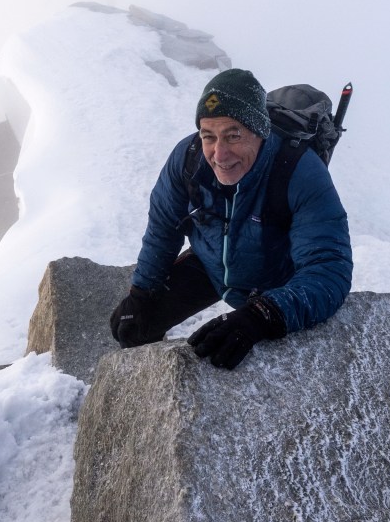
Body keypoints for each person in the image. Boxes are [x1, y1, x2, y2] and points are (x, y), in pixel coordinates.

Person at [110, 68, 352, 370]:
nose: (219, 154)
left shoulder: (301, 172)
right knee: (133, 326)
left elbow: (329, 268)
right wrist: (141, 293)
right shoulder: (188, 158)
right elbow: (163, 228)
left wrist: (263, 315)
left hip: (276, 280)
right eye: (208, 136)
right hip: (212, 264)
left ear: (260, 131)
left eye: (233, 135)